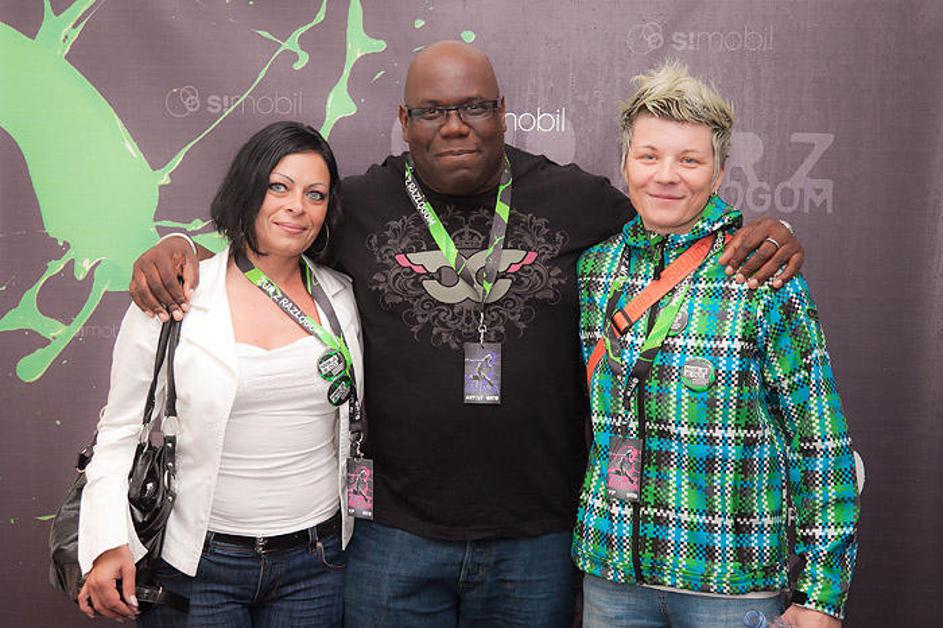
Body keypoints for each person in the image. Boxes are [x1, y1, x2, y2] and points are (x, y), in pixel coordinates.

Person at [129, 42, 803, 627]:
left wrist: (765, 230)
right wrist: (182, 249)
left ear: (502, 111)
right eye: (431, 112)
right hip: (393, 533)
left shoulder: (577, 199)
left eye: (474, 107)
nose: (454, 126)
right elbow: (268, 240)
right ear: (404, 121)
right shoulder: (354, 205)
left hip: (536, 536)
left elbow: (673, 217)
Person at [574, 61, 858, 628]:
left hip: (730, 586)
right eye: (649, 156)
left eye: (689, 160)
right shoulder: (595, 271)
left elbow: (819, 441)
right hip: (613, 579)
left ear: (720, 172)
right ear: (625, 164)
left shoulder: (762, 273)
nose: (666, 176)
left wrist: (822, 595)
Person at [78, 121, 363, 627]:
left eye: (315, 194)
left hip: (316, 564)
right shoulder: (174, 296)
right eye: (279, 186)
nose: (297, 206)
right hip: (198, 565)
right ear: (247, 189)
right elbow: (120, 431)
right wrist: (107, 542)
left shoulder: (342, 297)